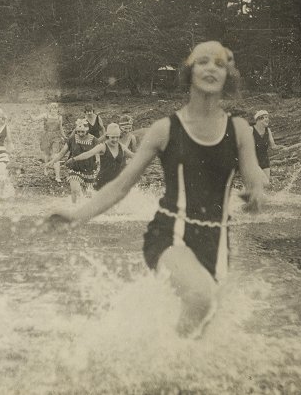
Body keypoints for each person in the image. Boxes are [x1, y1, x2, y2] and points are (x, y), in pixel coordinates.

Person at [47, 41, 264, 336]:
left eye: (220, 63)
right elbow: (120, 186)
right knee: (201, 298)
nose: (211, 67)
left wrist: (256, 192)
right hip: (169, 233)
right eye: (203, 61)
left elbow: (254, 176)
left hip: (218, 238)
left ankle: (169, 359)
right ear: (189, 71)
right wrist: (77, 217)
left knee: (205, 319)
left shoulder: (239, 130)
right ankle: (170, 357)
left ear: (229, 75)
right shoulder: (165, 129)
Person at [66, 123, 135, 190]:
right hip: (102, 181)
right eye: (112, 137)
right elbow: (88, 154)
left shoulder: (121, 147)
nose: (115, 140)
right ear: (108, 137)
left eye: (117, 137)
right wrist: (74, 159)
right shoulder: (102, 147)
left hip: (116, 180)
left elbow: (133, 155)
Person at [46, 118, 98, 203]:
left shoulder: (94, 140)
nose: (80, 134)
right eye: (78, 131)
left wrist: (99, 161)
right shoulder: (72, 139)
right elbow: (62, 153)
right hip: (75, 168)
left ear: (87, 130)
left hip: (89, 170)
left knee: (88, 195)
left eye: (82, 132)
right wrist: (52, 162)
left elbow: (99, 152)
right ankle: (74, 207)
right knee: (75, 190)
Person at [32, 102, 66, 183]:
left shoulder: (59, 117)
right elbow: (35, 119)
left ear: (57, 109)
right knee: (47, 155)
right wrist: (31, 113)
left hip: (56, 137)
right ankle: (46, 168)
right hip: (46, 136)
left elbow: (61, 128)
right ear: (50, 109)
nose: (54, 110)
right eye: (52, 108)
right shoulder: (45, 115)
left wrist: (64, 137)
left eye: (55, 108)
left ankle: (57, 176)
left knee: (56, 155)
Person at [252, 110, 283, 185]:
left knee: (265, 184)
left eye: (268, 117)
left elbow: (273, 146)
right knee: (257, 182)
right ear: (259, 119)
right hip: (253, 160)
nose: (268, 119)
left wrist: (281, 147)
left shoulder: (268, 130)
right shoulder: (250, 130)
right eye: (265, 117)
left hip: (264, 160)